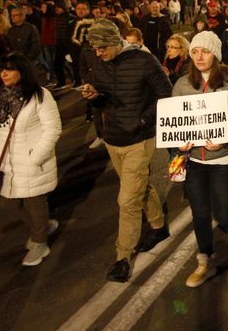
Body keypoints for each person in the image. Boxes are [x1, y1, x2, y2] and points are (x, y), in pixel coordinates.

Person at [81, 19, 173, 282]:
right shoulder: (100, 63)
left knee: (128, 200)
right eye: (95, 50)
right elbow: (103, 98)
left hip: (138, 140)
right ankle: (158, 226)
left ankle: (123, 257)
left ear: (114, 42)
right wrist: (93, 96)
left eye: (101, 48)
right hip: (113, 138)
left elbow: (165, 93)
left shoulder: (144, 61)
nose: (98, 54)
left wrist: (143, 120)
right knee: (139, 187)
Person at [172, 31, 228, 288]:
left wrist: (225, 140)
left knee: (224, 211)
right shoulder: (182, 84)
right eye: (195, 51)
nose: (199, 56)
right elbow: (175, 122)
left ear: (215, 55)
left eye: (205, 51)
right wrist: (179, 141)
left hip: (223, 160)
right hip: (195, 161)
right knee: (200, 213)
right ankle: (203, 260)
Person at [0, 52, 62, 266]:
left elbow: (53, 129)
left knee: (34, 202)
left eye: (9, 69)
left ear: (22, 71)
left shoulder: (40, 95)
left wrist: (36, 156)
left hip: (32, 159)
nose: (4, 73)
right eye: (2, 69)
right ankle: (43, 226)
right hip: (6, 161)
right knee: (9, 202)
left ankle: (40, 241)